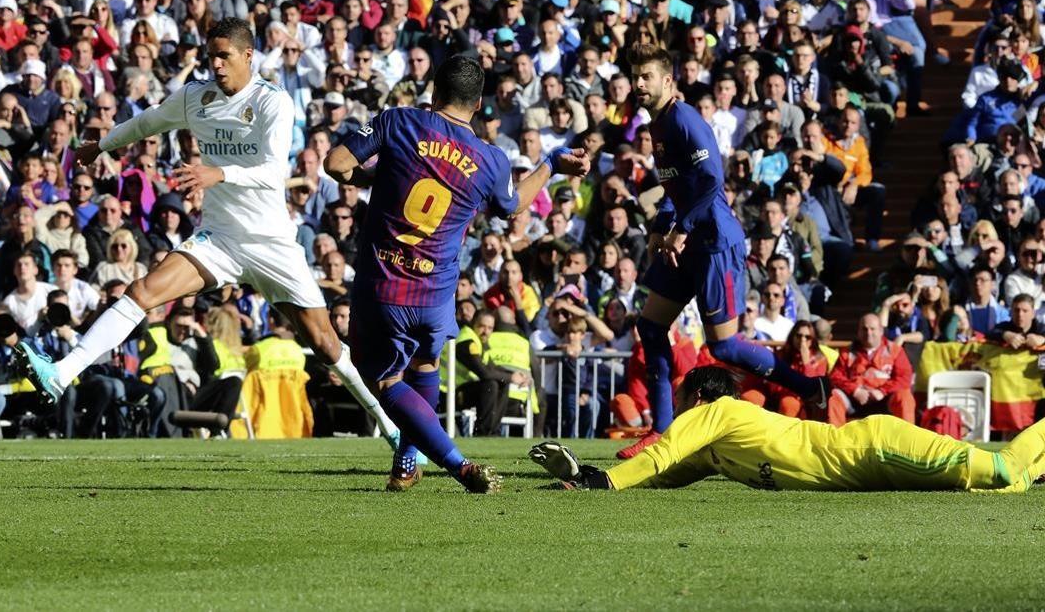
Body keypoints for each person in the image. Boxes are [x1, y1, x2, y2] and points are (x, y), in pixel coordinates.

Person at [12, 18, 402, 453]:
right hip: (219, 238)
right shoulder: (197, 97)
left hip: (271, 243)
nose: (215, 65)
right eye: (210, 56)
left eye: (224, 56)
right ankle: (62, 372)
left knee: (326, 344)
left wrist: (218, 172)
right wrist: (102, 145)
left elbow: (275, 172)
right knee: (143, 290)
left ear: (248, 56)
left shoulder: (274, 101)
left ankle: (392, 427)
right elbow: (148, 122)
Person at [324, 54, 590, 493]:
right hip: (436, 294)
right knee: (424, 363)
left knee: (383, 378)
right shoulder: (491, 159)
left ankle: (458, 464)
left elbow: (336, 163)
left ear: (433, 89)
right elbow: (513, 206)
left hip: (385, 284)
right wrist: (551, 166)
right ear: (479, 102)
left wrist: (372, 176)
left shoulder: (399, 122)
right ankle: (407, 461)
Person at [615, 44, 827, 461]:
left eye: (647, 76)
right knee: (650, 328)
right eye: (634, 76)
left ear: (667, 80)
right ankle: (660, 431)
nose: (639, 83)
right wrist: (662, 226)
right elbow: (680, 187)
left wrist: (680, 228)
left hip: (714, 243)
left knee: (724, 348)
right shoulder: (657, 125)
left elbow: (713, 178)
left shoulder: (684, 119)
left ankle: (809, 387)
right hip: (687, 238)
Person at [530, 365, 1045, 493]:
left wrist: (604, 481)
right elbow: (665, 474)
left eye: (682, 400)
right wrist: (584, 477)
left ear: (701, 399)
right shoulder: (716, 450)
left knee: (999, 470)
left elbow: (660, 455)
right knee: (1005, 488)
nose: (678, 411)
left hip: (874, 449)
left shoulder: (720, 412)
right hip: (869, 470)